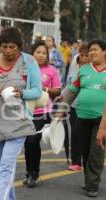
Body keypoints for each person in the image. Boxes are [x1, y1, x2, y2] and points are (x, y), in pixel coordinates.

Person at [0, 27, 42, 200]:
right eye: (4, 46)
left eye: (13, 47)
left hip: (18, 123)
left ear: (19, 46)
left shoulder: (30, 62)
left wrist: (22, 93)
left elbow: (37, 91)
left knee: (6, 167)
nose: (8, 51)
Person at [58, 40, 106, 198]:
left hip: (102, 120)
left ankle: (92, 184)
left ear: (104, 52)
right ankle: (89, 180)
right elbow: (72, 91)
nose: (91, 53)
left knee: (96, 152)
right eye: (90, 50)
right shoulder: (84, 70)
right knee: (85, 151)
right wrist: (62, 110)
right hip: (82, 117)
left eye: (95, 50)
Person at [23, 41, 61, 188]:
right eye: (38, 52)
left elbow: (57, 90)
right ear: (32, 53)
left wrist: (43, 88)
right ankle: (28, 172)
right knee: (27, 143)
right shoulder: (25, 69)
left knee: (33, 141)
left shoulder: (51, 70)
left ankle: (35, 173)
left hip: (43, 111)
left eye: (44, 53)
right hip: (26, 111)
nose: (41, 55)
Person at [65, 43, 90, 171]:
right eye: (82, 55)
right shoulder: (74, 65)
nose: (84, 57)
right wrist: (62, 98)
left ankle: (88, 161)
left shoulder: (94, 69)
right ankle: (76, 162)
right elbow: (69, 84)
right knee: (74, 133)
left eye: (87, 55)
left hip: (87, 107)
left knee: (86, 135)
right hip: (74, 105)